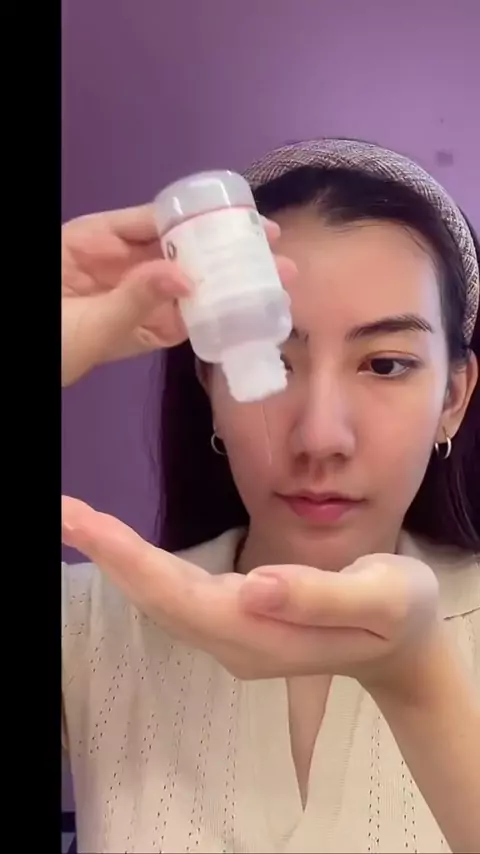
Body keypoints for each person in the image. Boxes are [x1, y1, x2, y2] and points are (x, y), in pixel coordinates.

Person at [61, 139, 480, 854]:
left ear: (453, 398)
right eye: (274, 362)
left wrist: (419, 685)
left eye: (384, 365)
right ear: (210, 385)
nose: (320, 437)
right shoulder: (90, 628)